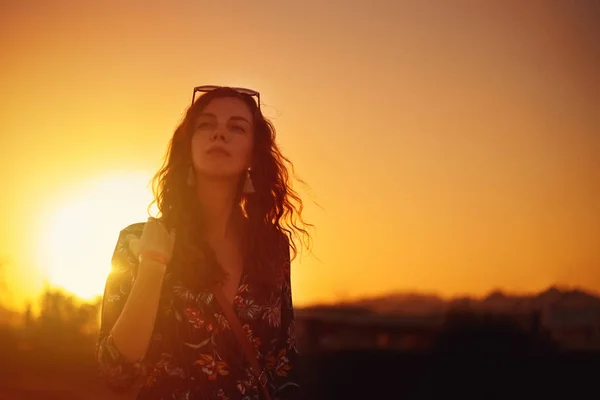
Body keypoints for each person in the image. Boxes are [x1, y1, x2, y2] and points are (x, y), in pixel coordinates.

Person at [96, 86, 310, 400]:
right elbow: (116, 371)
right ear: (189, 145)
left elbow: (283, 364)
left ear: (253, 153)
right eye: (206, 125)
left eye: (236, 127)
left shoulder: (272, 247)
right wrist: (153, 264)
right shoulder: (138, 240)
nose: (219, 134)